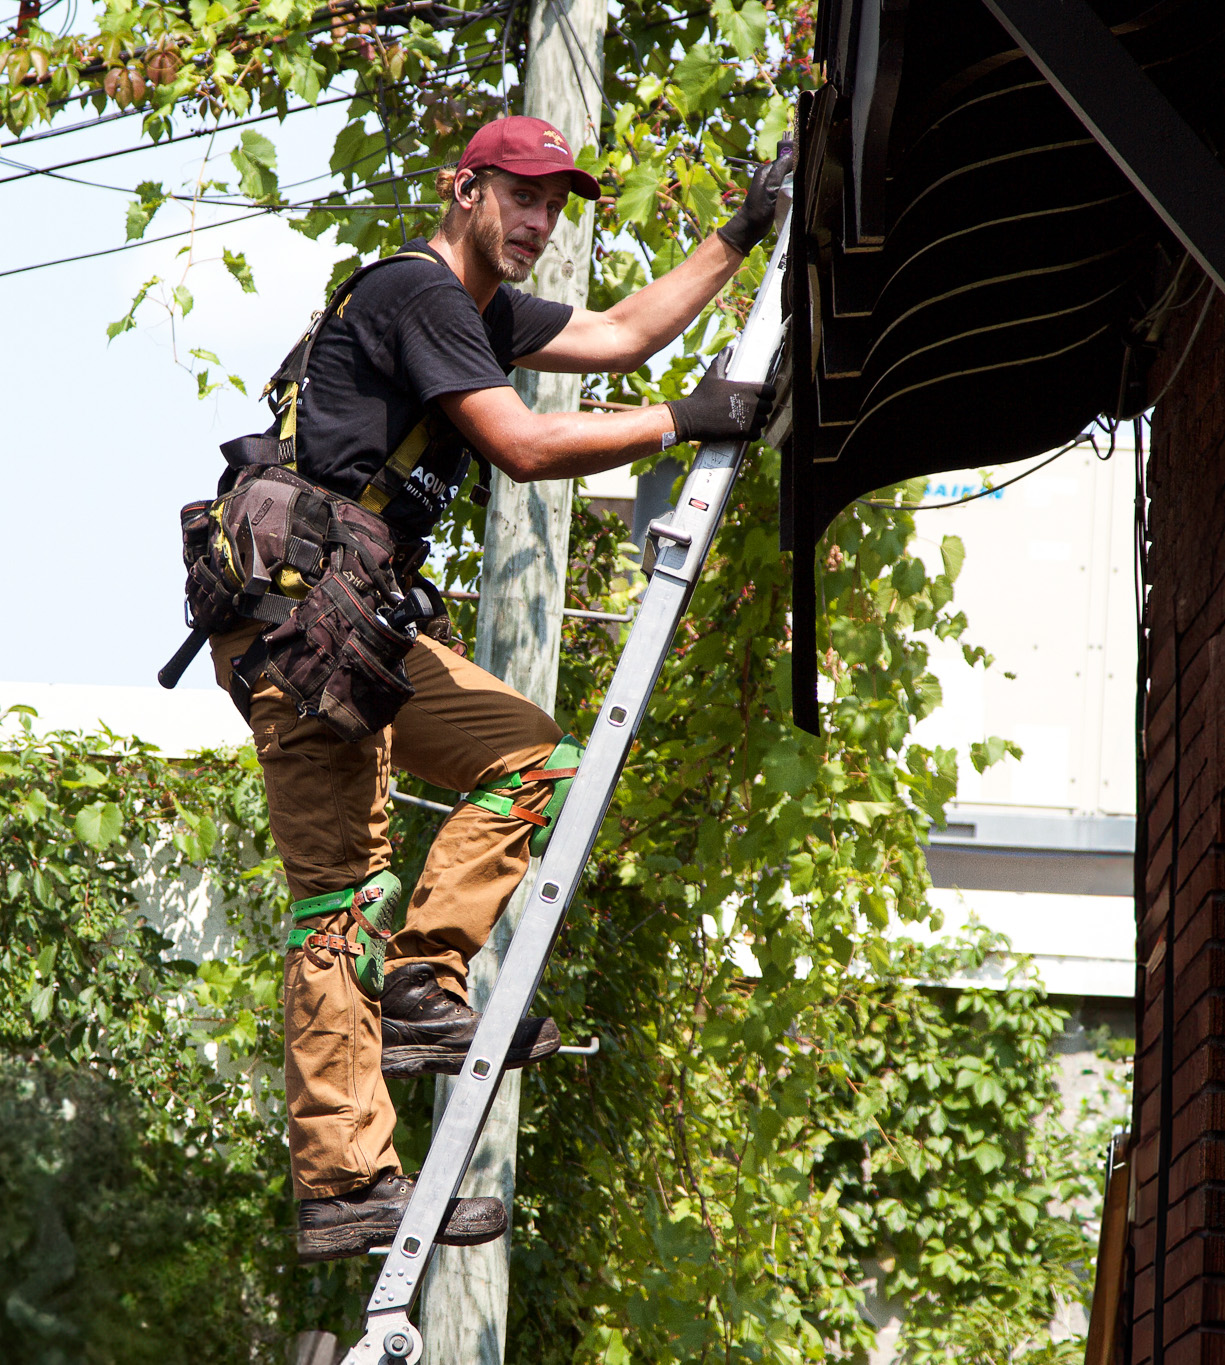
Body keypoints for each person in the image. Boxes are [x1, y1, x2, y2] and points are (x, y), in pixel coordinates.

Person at [184, 114, 789, 1262]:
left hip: (356, 629)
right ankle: (344, 1180)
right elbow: (516, 445)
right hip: (301, 637)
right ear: (463, 191)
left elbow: (616, 332)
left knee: (532, 755)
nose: (540, 222)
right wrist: (684, 421)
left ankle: (423, 979)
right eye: (521, 197)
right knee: (336, 906)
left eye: (555, 204)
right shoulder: (417, 297)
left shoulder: (472, 312)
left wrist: (739, 233)